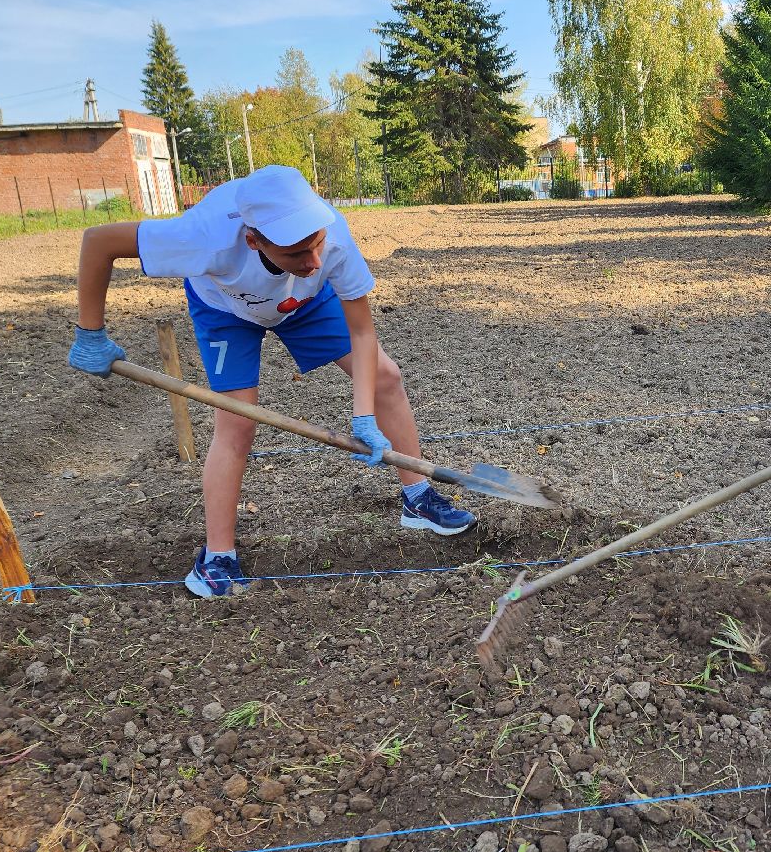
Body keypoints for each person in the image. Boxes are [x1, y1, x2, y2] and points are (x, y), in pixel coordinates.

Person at [68, 164, 475, 599]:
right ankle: (217, 560)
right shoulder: (202, 234)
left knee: (385, 378)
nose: (314, 260)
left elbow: (363, 332)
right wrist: (90, 333)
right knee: (237, 424)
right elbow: (98, 241)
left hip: (304, 303)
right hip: (226, 309)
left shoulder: (330, 236)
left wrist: (363, 416)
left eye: (316, 245)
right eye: (297, 253)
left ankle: (417, 497)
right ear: (253, 240)